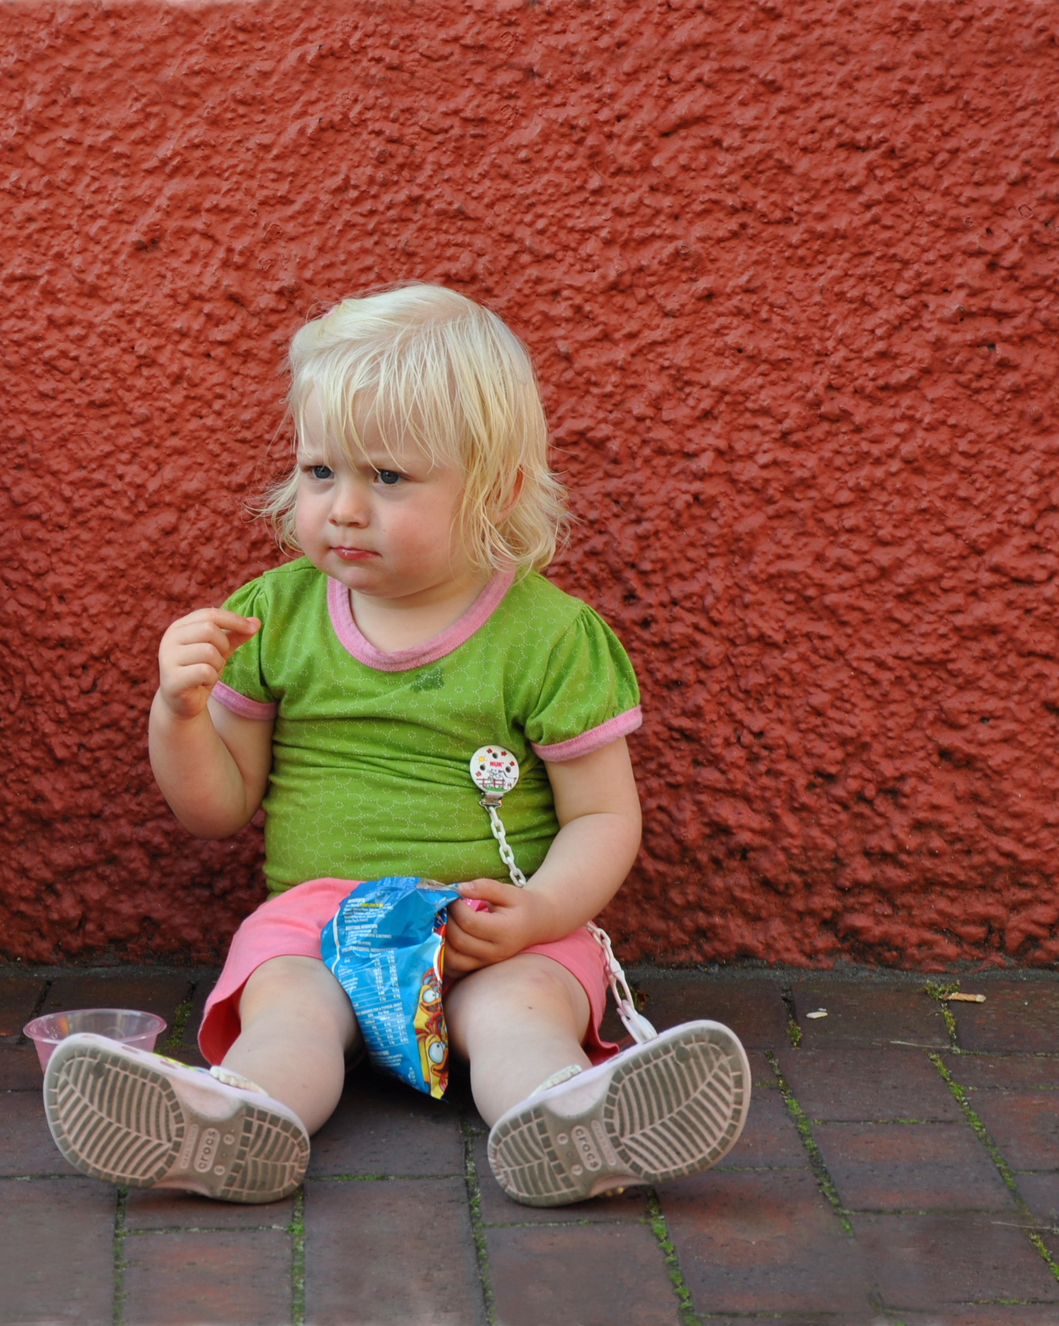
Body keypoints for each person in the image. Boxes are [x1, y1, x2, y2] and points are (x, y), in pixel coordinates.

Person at [43, 284, 749, 1206]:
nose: (341, 508)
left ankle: (571, 1119)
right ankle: (233, 1120)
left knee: (517, 1015)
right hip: (320, 924)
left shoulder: (548, 637)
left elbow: (605, 815)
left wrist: (538, 915)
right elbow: (216, 810)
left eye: (387, 478)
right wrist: (176, 714)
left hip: (486, 931)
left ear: (494, 490)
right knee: (286, 1007)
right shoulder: (273, 618)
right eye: (319, 471)